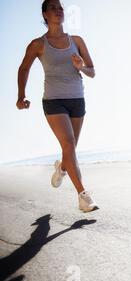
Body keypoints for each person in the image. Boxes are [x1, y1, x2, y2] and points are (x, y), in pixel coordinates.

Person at [16, 0, 99, 212]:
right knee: (69, 145)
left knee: (69, 150)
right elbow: (24, 69)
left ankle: (61, 169)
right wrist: (21, 96)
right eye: (53, 7)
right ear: (45, 15)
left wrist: (81, 67)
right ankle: (83, 195)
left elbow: (92, 71)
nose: (58, 10)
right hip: (53, 101)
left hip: (77, 100)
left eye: (60, 7)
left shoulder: (77, 40)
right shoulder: (38, 44)